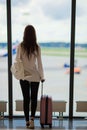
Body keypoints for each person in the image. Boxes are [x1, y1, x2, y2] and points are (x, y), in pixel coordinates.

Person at [15, 25, 45, 129]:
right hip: (35, 76)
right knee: (33, 99)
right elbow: (40, 63)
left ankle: (27, 121)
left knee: (26, 99)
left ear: (25, 34)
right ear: (34, 35)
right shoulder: (37, 47)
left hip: (24, 76)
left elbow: (17, 61)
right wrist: (42, 76)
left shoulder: (20, 46)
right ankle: (32, 120)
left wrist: (18, 73)